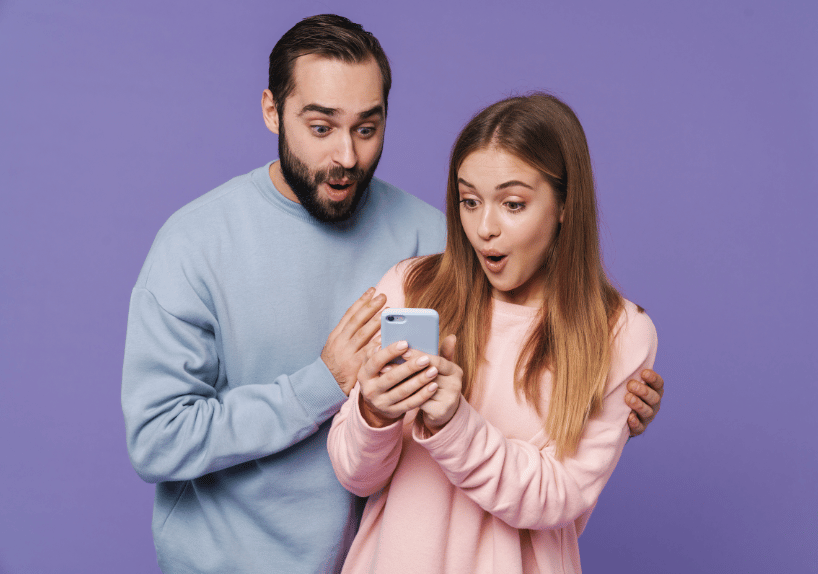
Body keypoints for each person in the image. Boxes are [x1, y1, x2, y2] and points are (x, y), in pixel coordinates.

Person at [121, 14, 664, 574]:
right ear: (271, 111)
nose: (347, 156)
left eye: (366, 127)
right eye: (321, 127)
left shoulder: (437, 244)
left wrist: (607, 389)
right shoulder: (196, 243)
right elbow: (158, 440)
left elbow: (544, 394)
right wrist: (324, 386)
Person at [327, 93, 657, 574]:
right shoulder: (410, 287)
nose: (484, 228)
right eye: (469, 201)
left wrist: (451, 424)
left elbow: (557, 497)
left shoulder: (620, 334)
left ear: (565, 204)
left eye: (513, 204)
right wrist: (372, 412)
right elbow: (355, 476)